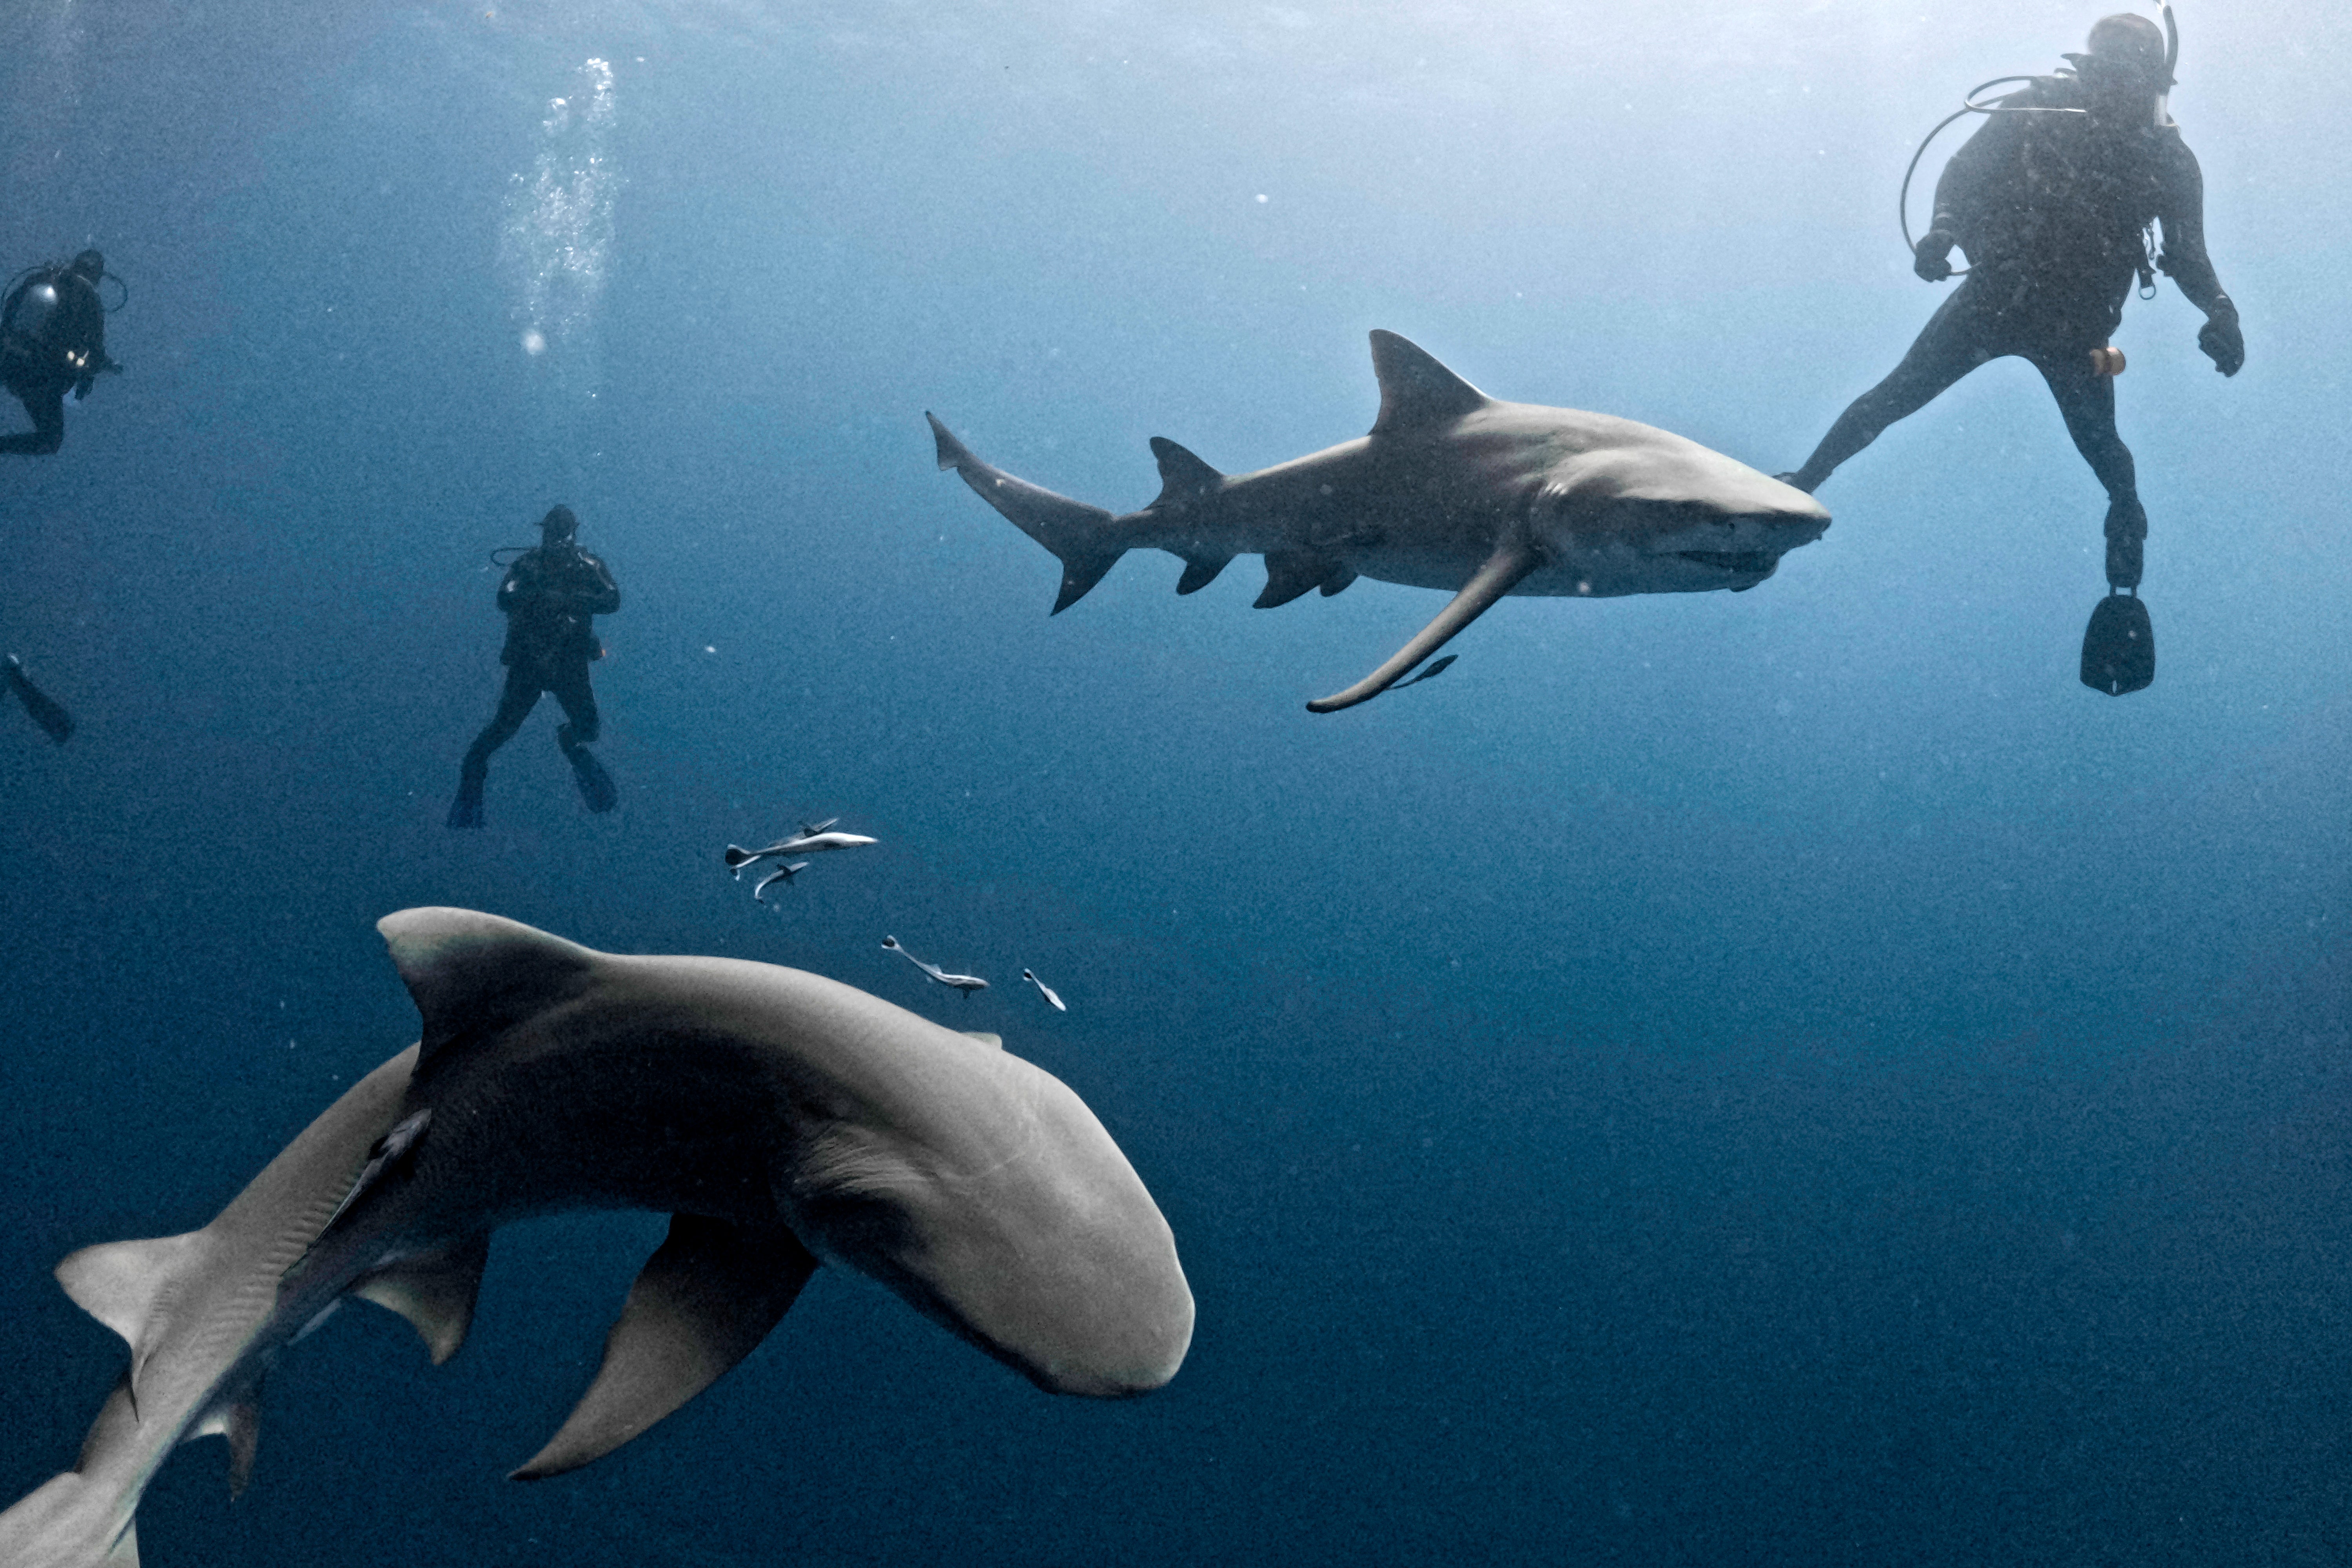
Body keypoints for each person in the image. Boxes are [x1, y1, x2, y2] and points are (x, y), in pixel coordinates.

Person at [1780, 13, 2240, 608]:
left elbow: (2188, 256)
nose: (2109, 91)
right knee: (1893, 397)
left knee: (2106, 453)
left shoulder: (2170, 160)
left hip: (2076, 329)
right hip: (2001, 298)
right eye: (2103, 75)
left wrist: (2222, 310)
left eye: (2123, 80)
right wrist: (1941, 232)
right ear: (2087, 72)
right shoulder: (2038, 107)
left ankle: (2125, 542)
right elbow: (1964, 172)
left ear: (2151, 85)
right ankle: (1802, 484)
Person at [447, 506, 621, 828]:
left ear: (572, 533)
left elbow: (613, 599)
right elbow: (504, 598)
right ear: (545, 534)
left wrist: (571, 601)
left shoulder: (588, 565)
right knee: (502, 729)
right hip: (530, 661)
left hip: (569, 659)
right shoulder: (528, 565)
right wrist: (541, 597)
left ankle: (569, 744)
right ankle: (473, 777)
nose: (558, 539)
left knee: (588, 728)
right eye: (553, 533)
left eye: (562, 532)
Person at [0, 250, 119, 456]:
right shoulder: (89, 295)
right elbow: (96, 350)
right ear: (97, 275)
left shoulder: (41, 277)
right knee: (49, 440)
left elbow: (9, 309)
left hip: (6, 357)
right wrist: (93, 370)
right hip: (38, 374)